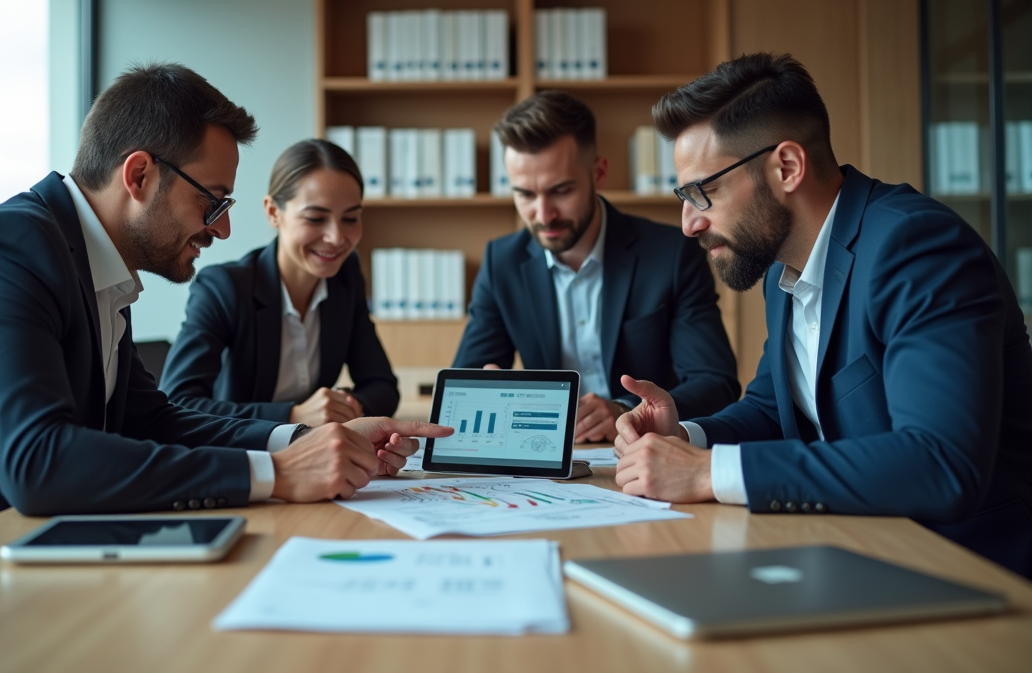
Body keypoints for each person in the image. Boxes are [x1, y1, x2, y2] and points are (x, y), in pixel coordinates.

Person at [0, 63, 449, 572]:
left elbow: (151, 419)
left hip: (2, 564)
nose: (223, 227)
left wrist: (305, 441)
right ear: (139, 174)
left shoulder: (92, 267)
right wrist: (278, 472)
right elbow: (37, 462)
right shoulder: (4, 249)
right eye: (212, 201)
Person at [611, 52, 1032, 577]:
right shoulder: (785, 270)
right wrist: (687, 438)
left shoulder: (916, 247)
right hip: (859, 551)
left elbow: (939, 462)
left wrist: (709, 473)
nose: (689, 224)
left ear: (786, 167)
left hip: (972, 572)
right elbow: (771, 410)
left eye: (705, 192)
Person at [452, 90, 740, 442]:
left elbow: (716, 382)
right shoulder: (502, 263)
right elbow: (463, 389)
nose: (543, 215)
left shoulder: (671, 254)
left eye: (561, 190)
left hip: (641, 449)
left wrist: (623, 409)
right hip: (542, 452)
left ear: (599, 173)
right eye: (525, 194)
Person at [160, 139, 399, 424]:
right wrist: (293, 416)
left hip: (314, 452)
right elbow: (179, 403)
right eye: (315, 218)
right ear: (273, 212)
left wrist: (347, 407)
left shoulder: (345, 278)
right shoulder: (224, 288)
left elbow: (383, 387)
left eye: (350, 219)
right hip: (240, 455)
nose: (336, 238)